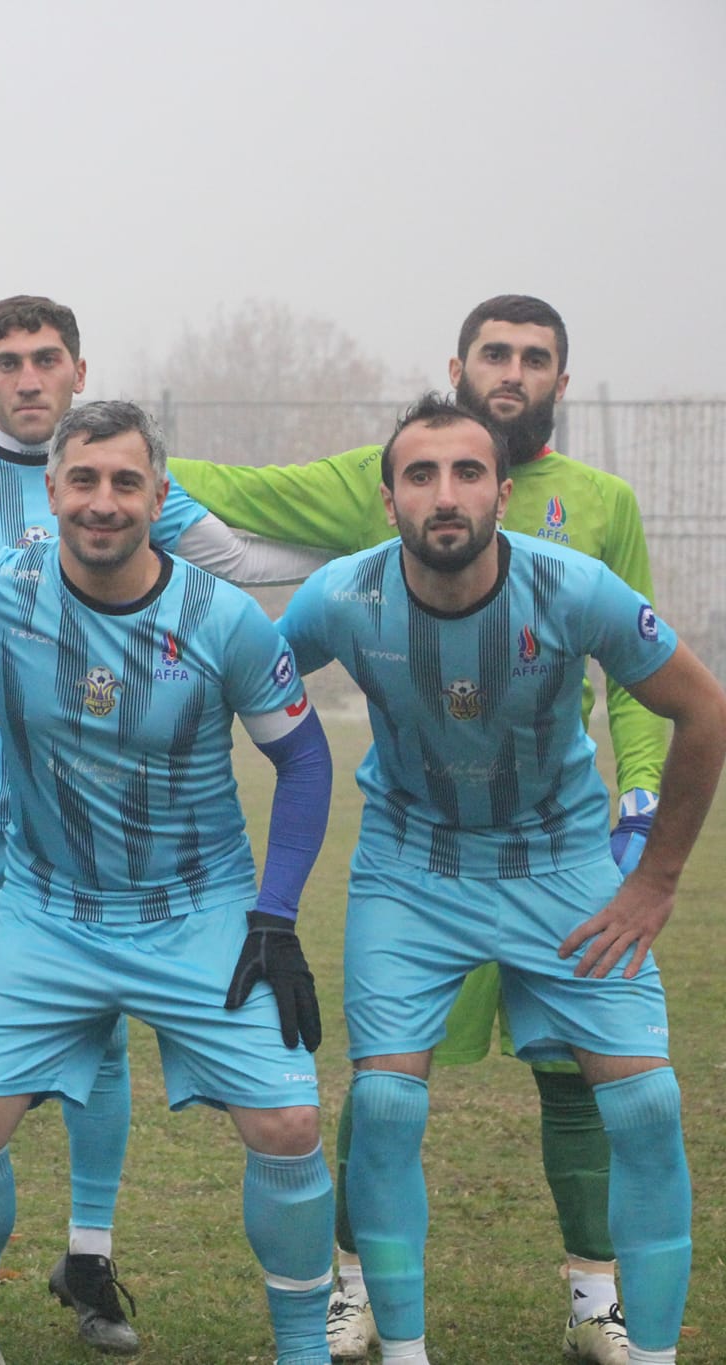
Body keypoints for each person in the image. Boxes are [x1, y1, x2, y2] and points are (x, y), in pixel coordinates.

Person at [169, 296, 661, 1363]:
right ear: (457, 364)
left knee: (581, 1075)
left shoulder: (601, 506)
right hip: (416, 852)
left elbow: (639, 677)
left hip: (552, 842)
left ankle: (597, 1299)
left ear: (560, 382)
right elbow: (244, 499)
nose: (512, 371)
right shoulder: (374, 478)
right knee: (386, 1090)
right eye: (494, 352)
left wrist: (640, 794)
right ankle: (358, 1291)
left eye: (535, 357)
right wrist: (111, 460)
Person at [0, 401, 338, 1365]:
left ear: (159, 497)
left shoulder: (224, 620)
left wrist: (275, 915)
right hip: (47, 912)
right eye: (83, 480)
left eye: (126, 482)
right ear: (51, 491)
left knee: (290, 1121)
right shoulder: (2, 584)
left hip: (198, 911)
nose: (103, 501)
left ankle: (304, 1350)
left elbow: (302, 760)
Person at [275, 393, 724, 1365]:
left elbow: (703, 709)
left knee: (646, 1107)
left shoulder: (574, 588)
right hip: (409, 870)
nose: (445, 494)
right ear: (388, 498)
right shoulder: (341, 597)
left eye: (467, 472)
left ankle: (651, 1354)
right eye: (420, 474)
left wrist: (653, 881)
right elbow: (243, 678)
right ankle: (403, 1353)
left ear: (503, 493)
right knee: (384, 1107)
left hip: (560, 865)